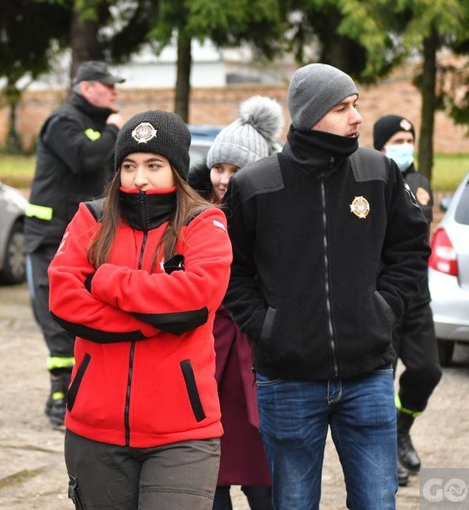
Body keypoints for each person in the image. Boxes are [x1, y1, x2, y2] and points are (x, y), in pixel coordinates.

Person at [221, 63, 430, 509]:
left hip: (368, 376)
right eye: (342, 108)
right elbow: (230, 272)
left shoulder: (379, 173)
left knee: (378, 502)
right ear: (309, 114)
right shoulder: (254, 185)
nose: (356, 117)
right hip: (287, 380)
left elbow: (410, 249)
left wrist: (384, 310)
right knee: (293, 503)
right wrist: (268, 327)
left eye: (356, 105)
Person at [48, 110, 232, 509]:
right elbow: (63, 300)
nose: (140, 178)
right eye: (129, 166)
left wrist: (106, 280)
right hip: (94, 432)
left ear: (177, 170)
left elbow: (195, 299)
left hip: (182, 435)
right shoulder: (91, 218)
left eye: (154, 165)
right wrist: (154, 318)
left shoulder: (205, 223)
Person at [188, 96, 281, 510]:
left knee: (264, 481)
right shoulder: (190, 214)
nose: (224, 178)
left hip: (254, 357)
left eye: (236, 170)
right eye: (219, 167)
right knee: (210, 477)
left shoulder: (277, 217)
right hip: (207, 357)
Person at [24, 60, 125, 428]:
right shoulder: (63, 121)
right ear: (86, 88)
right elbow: (84, 158)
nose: (114, 91)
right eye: (108, 85)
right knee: (55, 312)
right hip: (49, 235)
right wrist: (114, 131)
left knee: (88, 310)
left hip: (87, 236)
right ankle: (59, 395)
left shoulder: (100, 124)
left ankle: (86, 391)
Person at [373, 115, 443, 482]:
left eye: (409, 138)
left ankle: (403, 427)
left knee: (427, 370)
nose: (405, 145)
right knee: (380, 380)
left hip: (417, 298)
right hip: (381, 297)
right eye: (397, 139)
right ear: (380, 145)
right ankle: (387, 454)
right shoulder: (370, 181)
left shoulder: (420, 183)